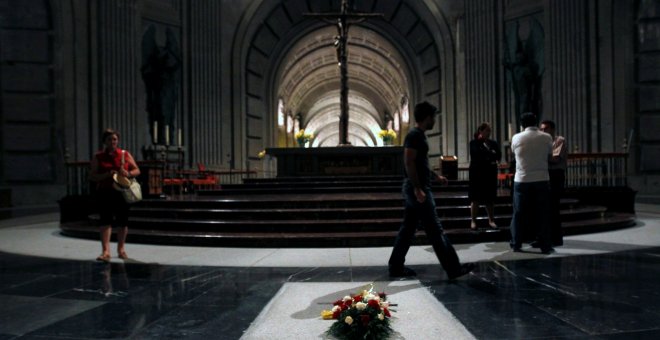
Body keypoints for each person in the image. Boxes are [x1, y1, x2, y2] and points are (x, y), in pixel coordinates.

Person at [388, 101, 475, 280]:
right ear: (427, 118)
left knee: (407, 229)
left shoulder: (418, 135)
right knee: (435, 230)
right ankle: (453, 268)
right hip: (417, 190)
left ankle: (395, 267)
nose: (434, 120)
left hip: (417, 188)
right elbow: (409, 162)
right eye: (433, 117)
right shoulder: (414, 135)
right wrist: (418, 189)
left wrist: (436, 177)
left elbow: (420, 163)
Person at [89, 129, 141, 262]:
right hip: (105, 192)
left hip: (121, 192)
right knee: (105, 220)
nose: (112, 142)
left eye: (114, 139)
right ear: (104, 142)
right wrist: (106, 175)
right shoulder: (98, 156)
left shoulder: (124, 154)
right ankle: (105, 251)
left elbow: (137, 170)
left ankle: (121, 249)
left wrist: (128, 174)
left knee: (122, 221)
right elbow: (92, 176)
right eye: (109, 139)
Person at [509, 113, 554, 254]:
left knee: (519, 213)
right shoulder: (546, 137)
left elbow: (513, 153)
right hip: (541, 178)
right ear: (536, 123)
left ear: (522, 124)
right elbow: (550, 156)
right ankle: (545, 244)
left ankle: (516, 243)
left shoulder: (516, 137)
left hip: (522, 179)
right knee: (542, 213)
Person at [468, 122, 502, 229]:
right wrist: (490, 154)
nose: (489, 132)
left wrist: (489, 154)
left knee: (490, 199)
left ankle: (491, 220)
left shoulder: (493, 143)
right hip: (477, 174)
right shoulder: (474, 143)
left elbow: (498, 155)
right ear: (481, 131)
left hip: (490, 174)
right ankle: (473, 221)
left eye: (490, 130)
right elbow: (476, 154)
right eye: (487, 130)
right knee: (475, 199)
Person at [540, 120, 567, 247]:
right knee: (546, 208)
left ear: (552, 129)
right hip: (546, 175)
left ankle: (556, 238)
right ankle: (548, 236)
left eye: (545, 129)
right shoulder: (544, 142)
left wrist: (540, 157)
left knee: (554, 207)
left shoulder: (559, 140)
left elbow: (555, 159)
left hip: (556, 175)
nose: (543, 131)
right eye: (541, 129)